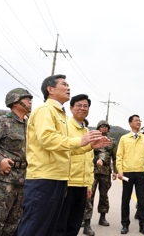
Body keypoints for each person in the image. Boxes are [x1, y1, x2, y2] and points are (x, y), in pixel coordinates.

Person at [16, 75, 110, 236]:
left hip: (58, 178)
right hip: (43, 178)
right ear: (50, 89)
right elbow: (47, 139)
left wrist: (88, 146)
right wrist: (79, 140)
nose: (68, 88)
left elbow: (65, 148)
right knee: (34, 228)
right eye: (64, 85)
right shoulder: (45, 110)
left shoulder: (59, 114)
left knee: (49, 228)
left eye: (68, 85)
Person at [0, 88, 32, 236]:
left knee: (13, 225)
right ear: (15, 102)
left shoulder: (30, 125)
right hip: (3, 181)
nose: (30, 101)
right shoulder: (3, 121)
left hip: (23, 181)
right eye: (26, 98)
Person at [55, 94, 97, 236]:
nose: (82, 108)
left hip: (82, 185)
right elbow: (60, 152)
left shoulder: (87, 131)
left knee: (74, 224)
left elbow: (89, 160)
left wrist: (89, 184)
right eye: (79, 105)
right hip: (68, 182)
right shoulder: (65, 126)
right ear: (71, 108)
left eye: (86, 106)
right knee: (60, 224)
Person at [116, 115, 144, 235]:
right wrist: (120, 171)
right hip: (128, 173)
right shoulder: (124, 138)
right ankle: (125, 225)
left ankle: (143, 226)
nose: (139, 122)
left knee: (142, 200)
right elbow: (119, 155)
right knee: (125, 199)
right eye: (136, 120)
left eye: (139, 120)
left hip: (141, 173)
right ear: (130, 123)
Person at [83, 120, 117, 236]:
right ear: (98, 128)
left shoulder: (112, 142)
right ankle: (86, 220)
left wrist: (116, 171)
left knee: (104, 195)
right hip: (92, 171)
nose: (104, 128)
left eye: (106, 127)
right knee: (89, 195)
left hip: (106, 172)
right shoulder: (93, 139)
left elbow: (115, 157)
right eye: (102, 126)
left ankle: (102, 217)